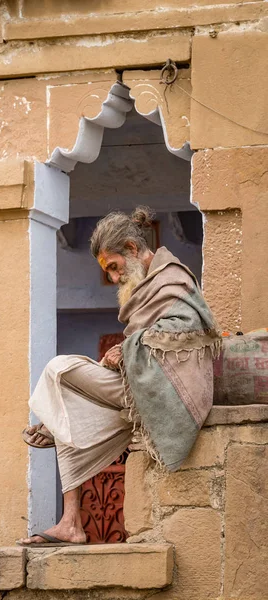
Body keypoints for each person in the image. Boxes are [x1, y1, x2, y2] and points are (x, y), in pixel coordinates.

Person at [18, 206, 221, 547]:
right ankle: (71, 523)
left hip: (168, 392)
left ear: (131, 248)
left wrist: (127, 350)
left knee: (58, 369)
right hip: (141, 391)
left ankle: (55, 427)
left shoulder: (174, 279)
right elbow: (152, 338)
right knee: (62, 408)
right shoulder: (149, 286)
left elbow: (186, 331)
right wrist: (127, 352)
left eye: (113, 267)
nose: (113, 278)